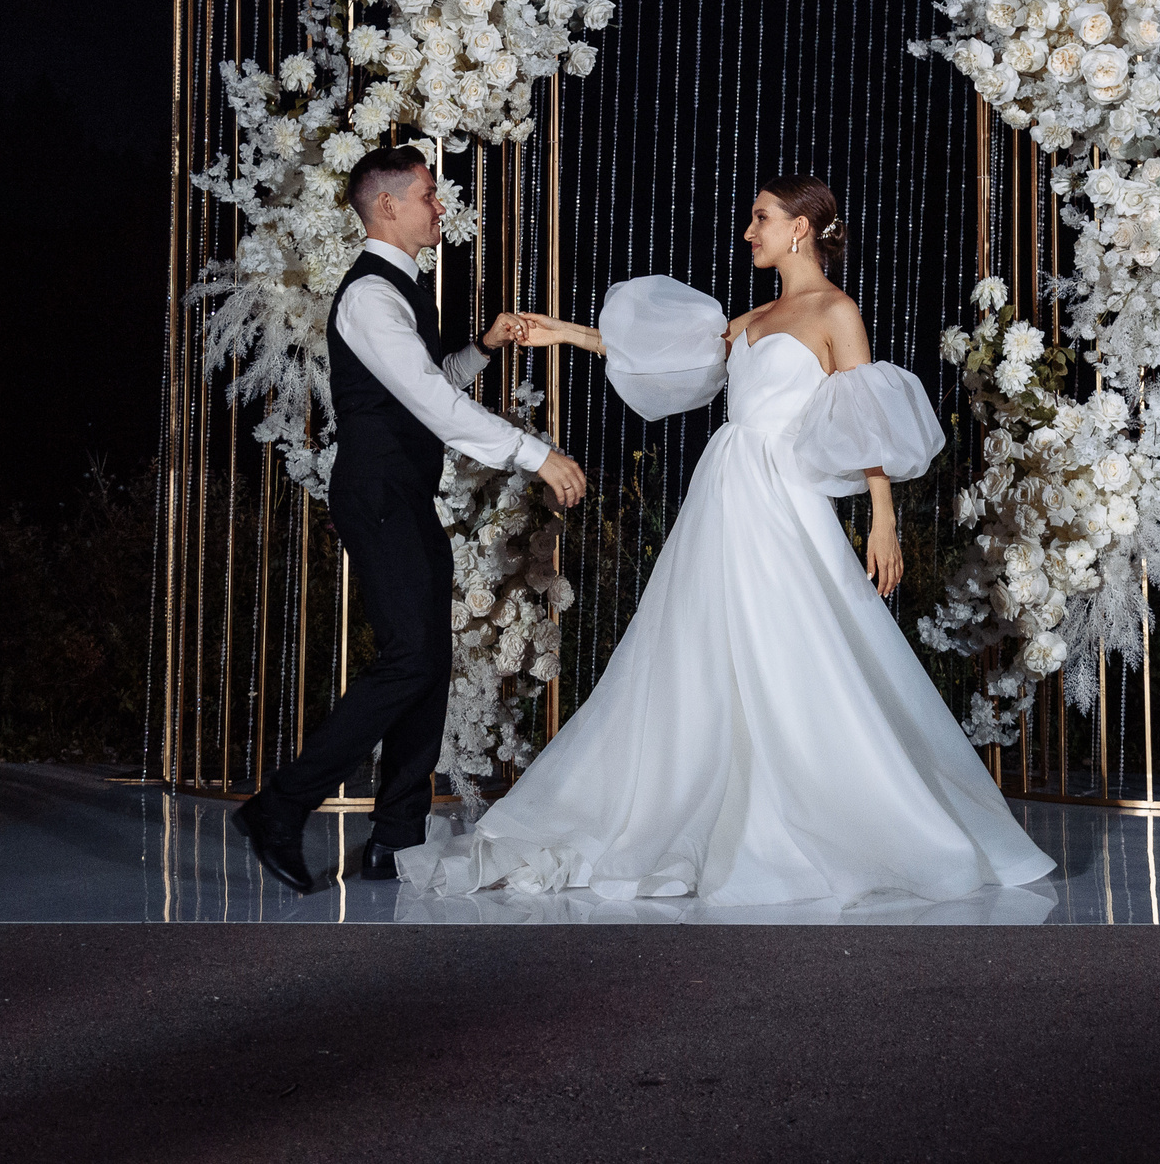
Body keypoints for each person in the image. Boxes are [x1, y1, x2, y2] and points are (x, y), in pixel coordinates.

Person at [398, 174, 1055, 906]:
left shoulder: (836, 311)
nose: (750, 232)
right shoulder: (757, 315)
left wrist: (884, 518)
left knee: (799, 644)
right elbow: (667, 358)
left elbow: (866, 418)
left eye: (762, 218)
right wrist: (561, 332)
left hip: (784, 498)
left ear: (801, 228)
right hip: (726, 494)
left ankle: (837, 814)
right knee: (701, 647)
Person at [232, 144, 588, 893]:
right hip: (379, 496)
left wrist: (485, 347)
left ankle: (397, 838)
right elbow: (433, 407)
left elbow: (424, 386)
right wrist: (535, 454)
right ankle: (281, 804)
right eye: (428, 192)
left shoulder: (398, 289)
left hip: (402, 493)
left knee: (426, 661)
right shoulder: (369, 297)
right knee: (411, 659)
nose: (440, 204)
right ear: (387, 205)